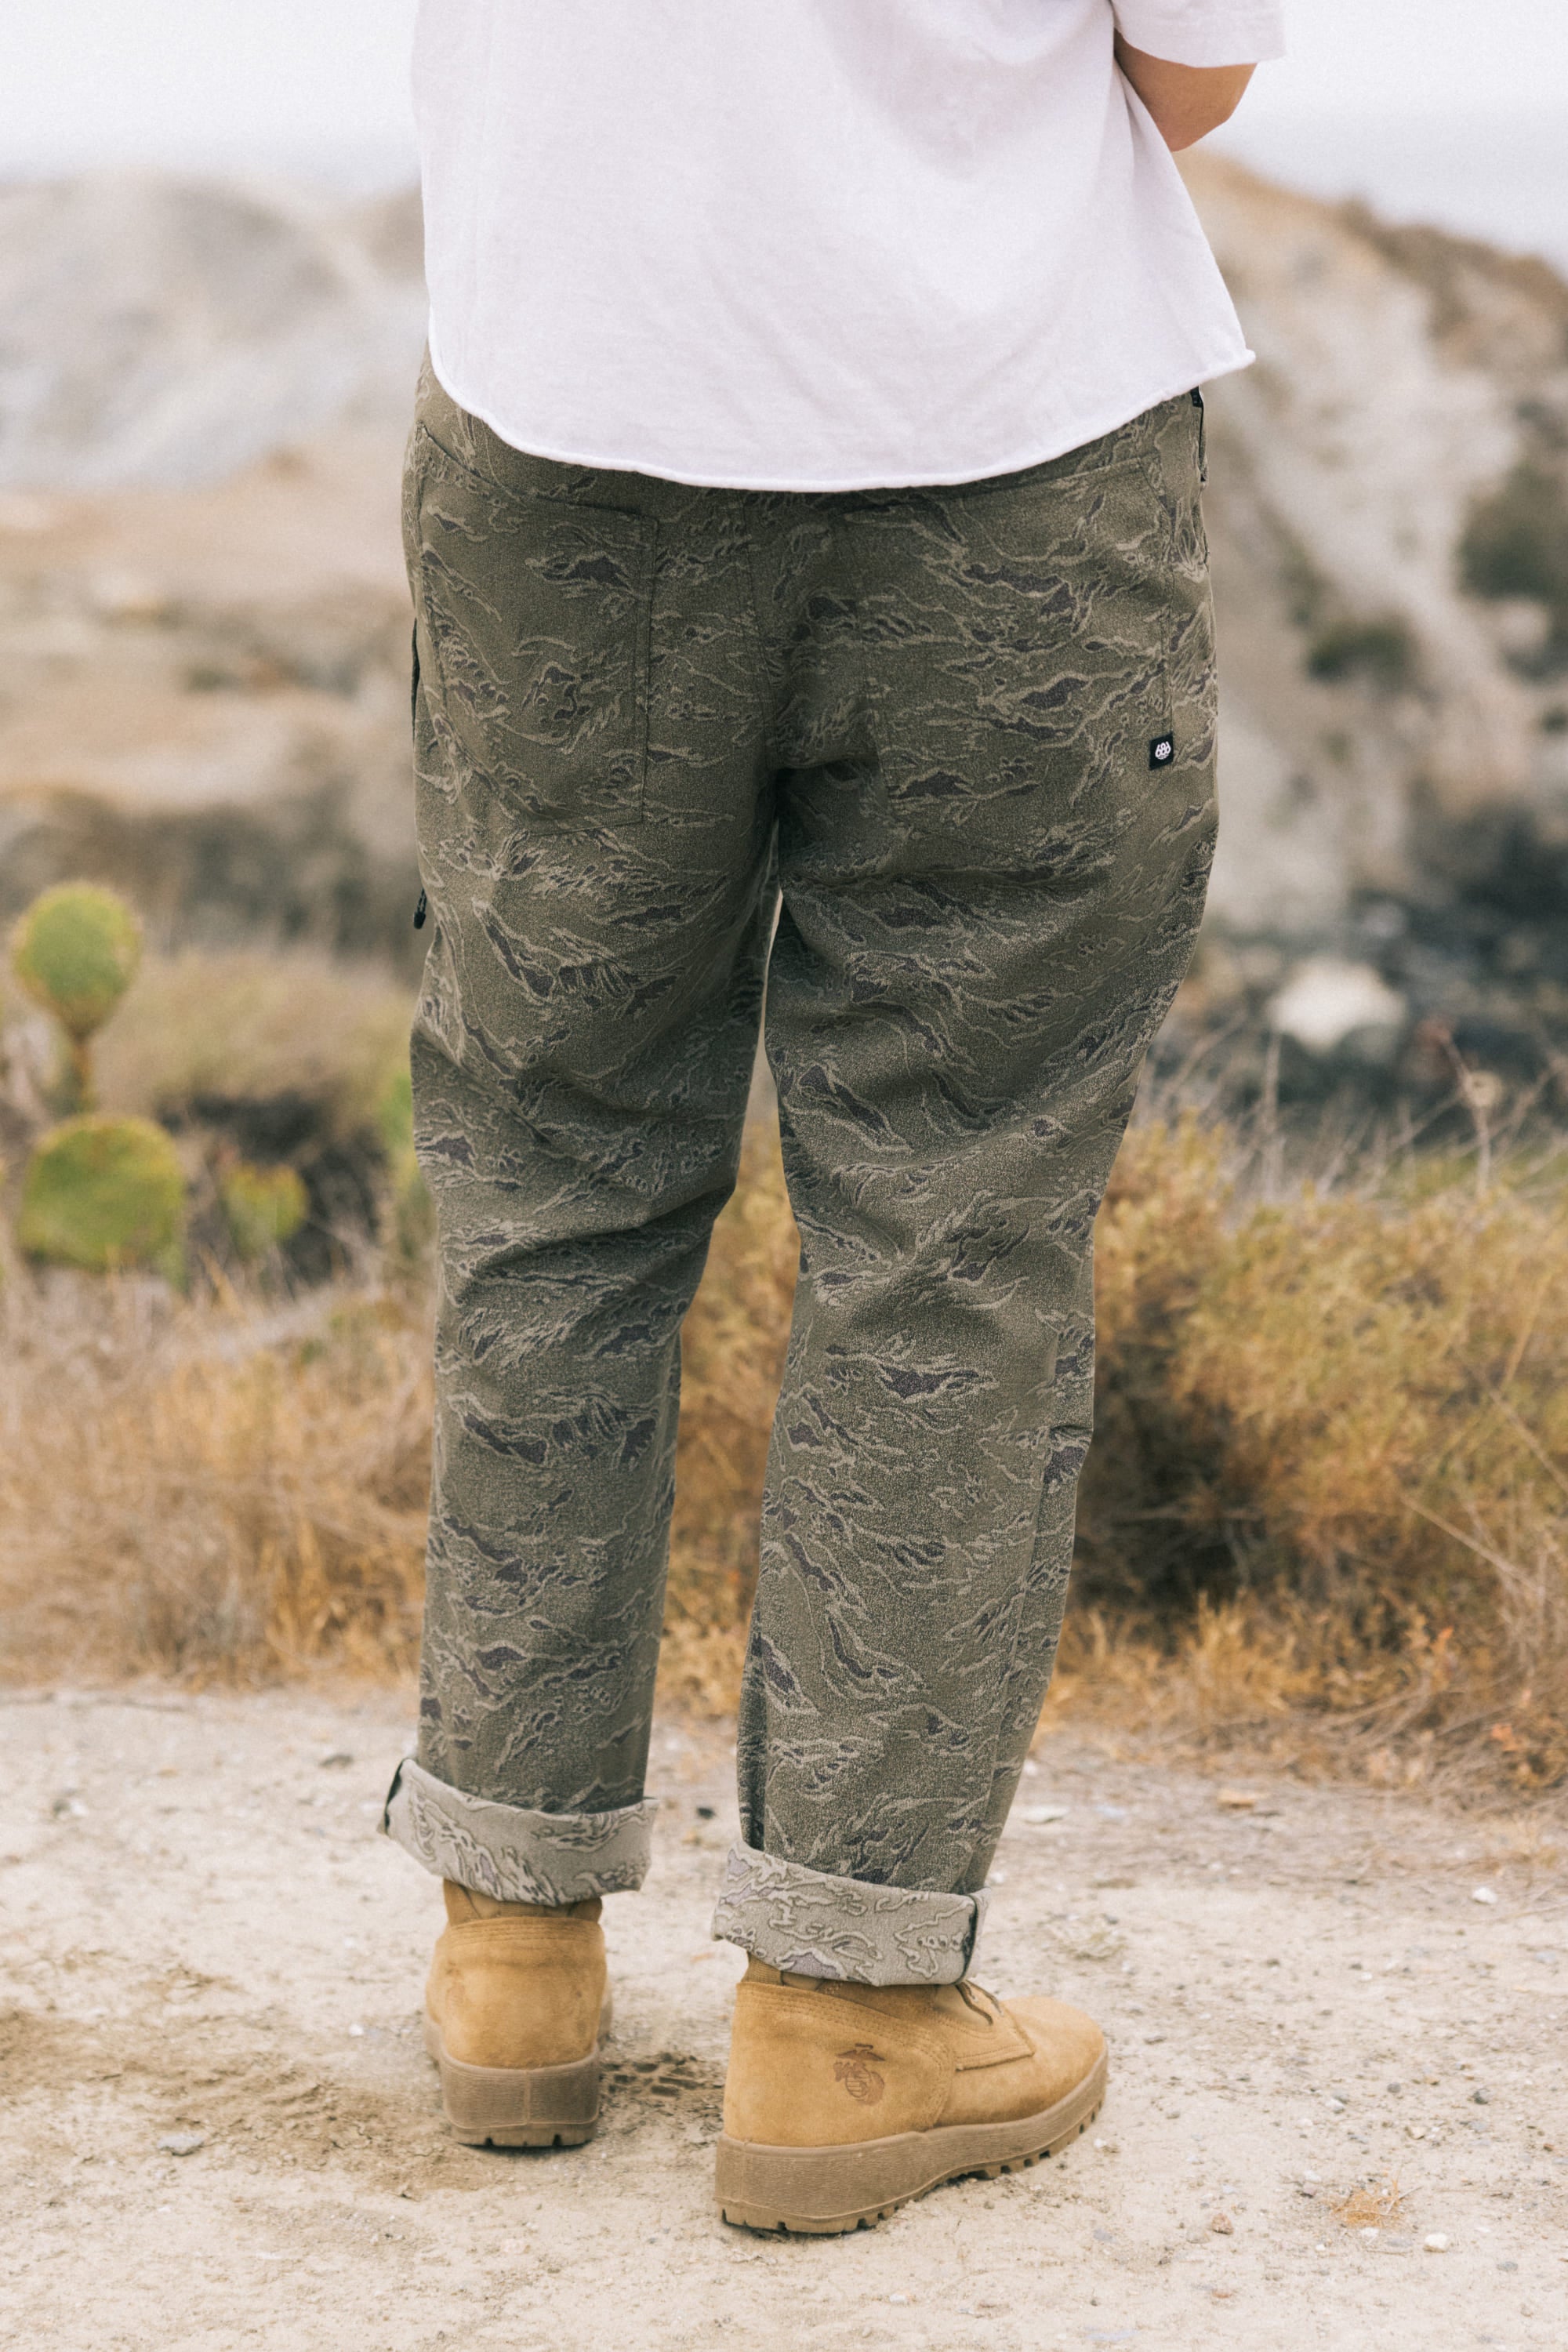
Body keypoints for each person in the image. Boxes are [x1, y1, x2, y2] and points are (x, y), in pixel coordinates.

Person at [382, 0, 1283, 2234]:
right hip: (995, 443)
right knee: (952, 1220)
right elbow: (1195, 71)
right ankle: (848, 2008)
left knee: (553, 1174)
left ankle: (514, 1947)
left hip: (565, 416)